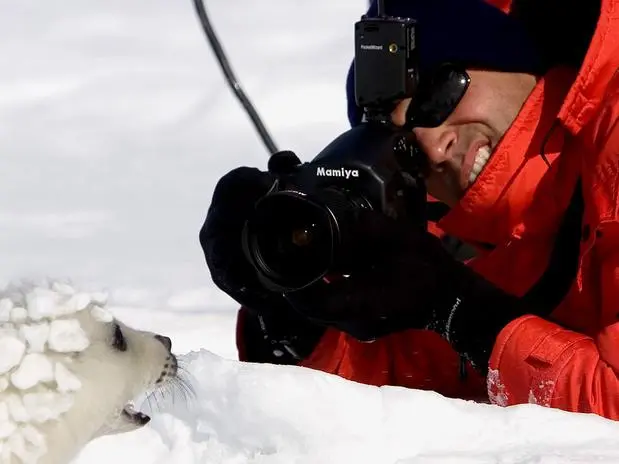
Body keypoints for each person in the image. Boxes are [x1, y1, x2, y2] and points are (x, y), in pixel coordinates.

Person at [200, 0, 619, 420]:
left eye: (440, 93)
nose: (436, 148)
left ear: (511, 53)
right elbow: (381, 382)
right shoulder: (487, 250)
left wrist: (461, 310)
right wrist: (288, 314)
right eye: (408, 151)